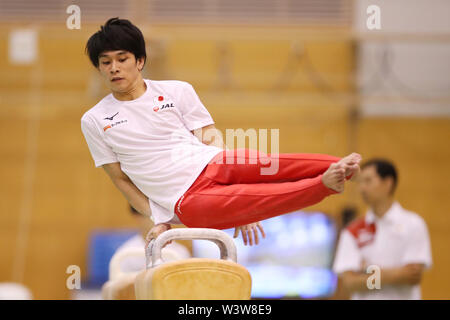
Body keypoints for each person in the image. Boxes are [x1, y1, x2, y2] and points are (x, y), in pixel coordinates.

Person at [81, 17, 361, 249]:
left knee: (268, 164)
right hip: (186, 199)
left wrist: (224, 168)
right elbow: (120, 179)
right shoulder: (94, 120)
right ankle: (325, 184)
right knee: (263, 199)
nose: (114, 68)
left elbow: (208, 135)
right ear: (99, 68)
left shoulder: (177, 90)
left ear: (139, 61)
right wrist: (158, 215)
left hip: (212, 163)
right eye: (105, 62)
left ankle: (339, 165)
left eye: (122, 58)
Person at [332, 159, 432, 299]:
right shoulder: (352, 231)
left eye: (368, 181)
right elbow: (349, 283)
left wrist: (368, 271)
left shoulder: (414, 224)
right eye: (360, 182)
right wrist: (396, 274)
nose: (362, 188)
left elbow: (412, 277)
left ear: (388, 183)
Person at [114, 205, 190, 273]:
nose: (157, 220)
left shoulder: (179, 252)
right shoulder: (125, 253)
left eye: (160, 215)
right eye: (152, 215)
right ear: (137, 216)